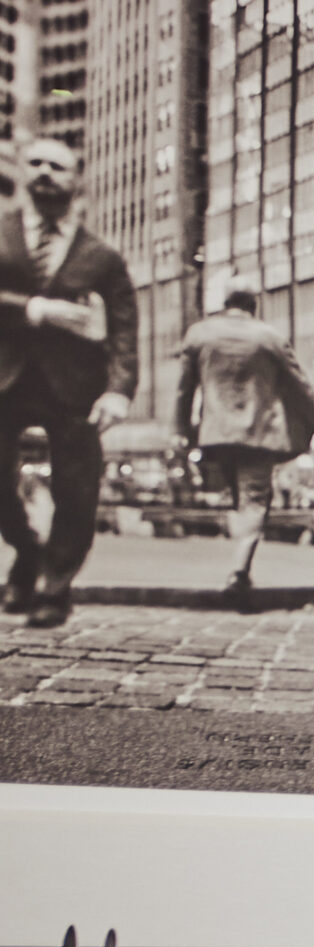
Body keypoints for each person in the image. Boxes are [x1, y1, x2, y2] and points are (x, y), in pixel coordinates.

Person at [0, 138, 137, 629]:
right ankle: (27, 550)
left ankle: (55, 589)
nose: (43, 172)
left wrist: (119, 390)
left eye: (56, 166)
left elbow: (124, 327)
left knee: (77, 490)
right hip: (5, 378)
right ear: (20, 170)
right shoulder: (1, 232)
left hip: (75, 386)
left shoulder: (102, 255)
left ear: (77, 179)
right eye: (34, 162)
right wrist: (35, 309)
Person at [175, 284, 314, 607]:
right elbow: (301, 385)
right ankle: (238, 571)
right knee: (254, 501)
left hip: (216, 435)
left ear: (225, 304)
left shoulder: (200, 335)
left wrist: (181, 432)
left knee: (236, 498)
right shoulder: (269, 337)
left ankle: (238, 565)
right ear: (253, 305)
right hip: (260, 434)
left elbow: (183, 389)